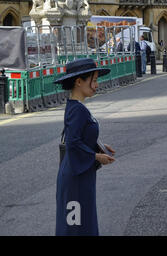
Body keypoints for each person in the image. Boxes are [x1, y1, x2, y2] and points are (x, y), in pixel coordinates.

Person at [53, 58, 116, 236]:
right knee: (76, 225)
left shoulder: (76, 106)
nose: (96, 85)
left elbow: (79, 138)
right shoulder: (77, 109)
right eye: (93, 80)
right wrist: (97, 157)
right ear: (79, 82)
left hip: (78, 172)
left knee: (81, 222)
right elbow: (73, 143)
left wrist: (100, 147)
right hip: (76, 176)